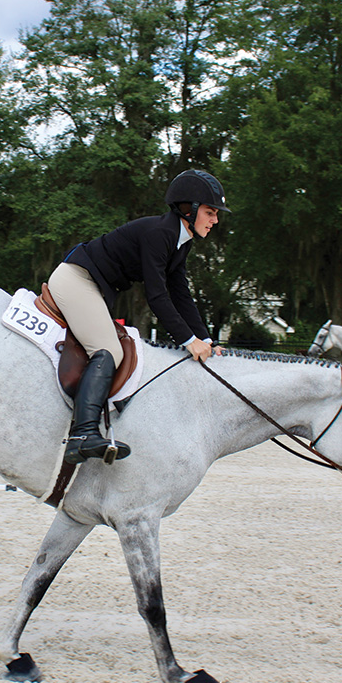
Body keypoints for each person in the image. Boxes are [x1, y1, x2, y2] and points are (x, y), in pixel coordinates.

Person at [47, 169, 228, 464]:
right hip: (76, 280)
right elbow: (157, 296)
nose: (215, 220)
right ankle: (82, 435)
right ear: (188, 210)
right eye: (210, 213)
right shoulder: (160, 234)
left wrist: (205, 338)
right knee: (108, 351)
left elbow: (180, 293)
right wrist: (187, 340)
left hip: (94, 286)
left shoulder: (180, 241)